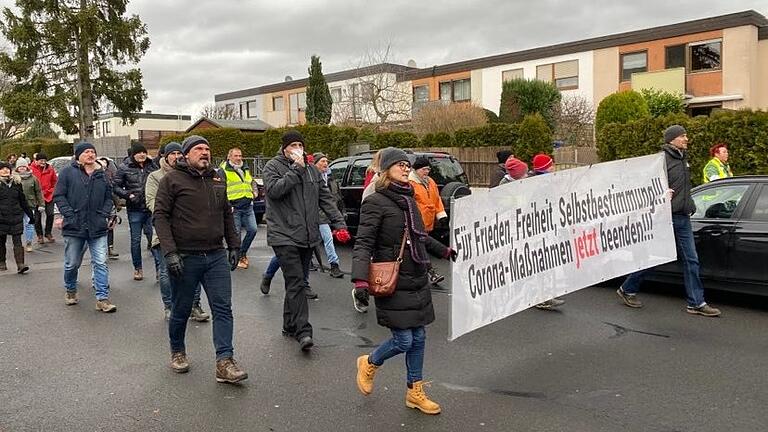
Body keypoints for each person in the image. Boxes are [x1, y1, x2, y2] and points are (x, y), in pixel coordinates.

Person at [351, 147, 456, 415]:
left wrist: (443, 250)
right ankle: (370, 363)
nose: (406, 168)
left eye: (407, 165)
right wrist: (360, 280)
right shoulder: (375, 201)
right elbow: (363, 242)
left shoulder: (410, 199)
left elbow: (419, 235)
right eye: (400, 164)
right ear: (386, 169)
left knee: (419, 337)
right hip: (392, 278)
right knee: (403, 340)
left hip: (417, 276)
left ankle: (414, 392)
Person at [153, 135, 247, 383]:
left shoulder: (218, 178)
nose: (204, 152)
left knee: (223, 308)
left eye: (207, 149)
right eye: (198, 149)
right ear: (186, 154)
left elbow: (226, 213)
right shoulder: (171, 180)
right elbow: (160, 217)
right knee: (181, 308)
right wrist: (170, 252)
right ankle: (178, 351)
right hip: (185, 257)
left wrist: (235, 245)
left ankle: (224, 362)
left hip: (215, 255)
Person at [617, 125, 722, 317]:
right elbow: (647, 186)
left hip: (683, 217)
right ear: (672, 139)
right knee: (656, 257)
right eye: (682, 136)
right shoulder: (661, 160)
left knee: (691, 260)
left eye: (686, 135)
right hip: (665, 217)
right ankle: (627, 288)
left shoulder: (683, 159)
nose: (686, 139)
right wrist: (660, 195)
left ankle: (696, 303)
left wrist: (690, 204)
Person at [263, 130, 350, 351]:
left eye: (300, 144)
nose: (297, 149)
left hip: (307, 235)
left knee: (297, 281)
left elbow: (325, 199)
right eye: (292, 145)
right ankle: (303, 331)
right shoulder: (273, 167)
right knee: (297, 282)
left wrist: (339, 224)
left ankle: (289, 324)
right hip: (284, 235)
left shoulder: (312, 171)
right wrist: (296, 170)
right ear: (284, 149)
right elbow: (274, 191)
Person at [145, 142, 210, 322]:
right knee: (167, 272)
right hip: (165, 232)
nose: (176, 156)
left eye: (178, 153)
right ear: (165, 156)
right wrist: (176, 212)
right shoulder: (155, 177)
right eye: (172, 153)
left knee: (194, 271)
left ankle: (194, 305)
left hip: (189, 233)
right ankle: (169, 305)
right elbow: (152, 202)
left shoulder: (192, 175)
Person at [53, 142, 116, 312]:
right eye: (87, 152)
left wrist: (104, 214)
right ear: (78, 155)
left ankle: (102, 298)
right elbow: (58, 196)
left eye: (93, 151)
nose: (90, 154)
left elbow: (110, 197)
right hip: (74, 227)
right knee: (72, 263)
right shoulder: (67, 172)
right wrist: (69, 215)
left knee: (101, 262)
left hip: (97, 227)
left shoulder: (102, 174)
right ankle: (71, 290)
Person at [526, 153, 566, 310]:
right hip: (540, 230)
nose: (554, 167)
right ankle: (540, 297)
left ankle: (545, 295)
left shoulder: (542, 183)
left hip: (544, 229)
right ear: (545, 168)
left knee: (545, 264)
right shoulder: (542, 185)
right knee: (541, 264)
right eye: (551, 165)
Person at [114, 144, 158, 281]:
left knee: (155, 239)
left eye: (144, 152)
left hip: (151, 208)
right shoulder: (124, 167)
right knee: (136, 240)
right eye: (138, 153)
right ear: (133, 154)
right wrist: (128, 195)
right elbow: (115, 186)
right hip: (135, 209)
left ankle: (159, 270)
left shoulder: (152, 166)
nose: (142, 155)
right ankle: (137, 268)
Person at [408, 156, 448, 285]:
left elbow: (436, 200)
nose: (427, 172)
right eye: (424, 169)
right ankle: (432, 273)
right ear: (416, 170)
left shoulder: (430, 182)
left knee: (417, 250)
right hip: (416, 223)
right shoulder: (410, 183)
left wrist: (441, 216)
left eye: (428, 169)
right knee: (421, 248)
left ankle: (415, 273)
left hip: (428, 222)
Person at [219, 147, 258, 270]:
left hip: (247, 206)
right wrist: (227, 205)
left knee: (253, 230)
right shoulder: (223, 170)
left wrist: (254, 192)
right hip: (234, 208)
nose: (239, 158)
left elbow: (251, 181)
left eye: (240, 156)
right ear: (229, 157)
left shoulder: (245, 168)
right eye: (236, 156)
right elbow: (220, 189)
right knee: (236, 236)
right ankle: (236, 256)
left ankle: (242, 253)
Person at [313, 152, 345, 279]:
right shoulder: (312, 179)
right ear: (315, 164)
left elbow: (338, 198)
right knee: (312, 240)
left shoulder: (332, 180)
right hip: (316, 215)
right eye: (322, 161)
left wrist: (341, 213)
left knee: (328, 239)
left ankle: (334, 265)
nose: (325, 163)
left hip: (328, 215)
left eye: (326, 161)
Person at [0, 161, 35, 273]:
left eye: (7, 168)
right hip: (1, 218)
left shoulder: (16, 183)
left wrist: (30, 214)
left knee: (18, 241)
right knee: (1, 242)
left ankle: (20, 264)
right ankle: (2, 262)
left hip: (16, 216)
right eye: (3, 168)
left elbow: (22, 200)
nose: (6, 170)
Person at [15, 160, 44, 252]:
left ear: (27, 167)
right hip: (17, 206)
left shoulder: (33, 178)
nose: (22, 168)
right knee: (18, 225)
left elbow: (38, 192)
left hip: (30, 205)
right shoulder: (14, 179)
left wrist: (41, 204)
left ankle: (29, 242)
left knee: (29, 224)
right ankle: (18, 243)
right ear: (17, 168)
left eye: (23, 166)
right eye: (20, 167)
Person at [29, 153, 58, 244]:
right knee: (37, 218)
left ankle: (48, 233)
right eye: (41, 160)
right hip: (36, 197)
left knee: (50, 214)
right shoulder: (31, 169)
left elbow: (55, 182)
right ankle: (39, 235)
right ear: (36, 161)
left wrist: (52, 190)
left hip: (49, 195)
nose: (43, 162)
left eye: (44, 160)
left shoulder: (50, 169)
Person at [97, 157, 121, 260]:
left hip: (109, 206)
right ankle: (100, 250)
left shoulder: (108, 179)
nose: (103, 168)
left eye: (104, 166)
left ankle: (110, 248)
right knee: (99, 230)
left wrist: (117, 204)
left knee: (110, 227)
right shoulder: (90, 179)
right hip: (96, 210)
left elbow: (112, 193)